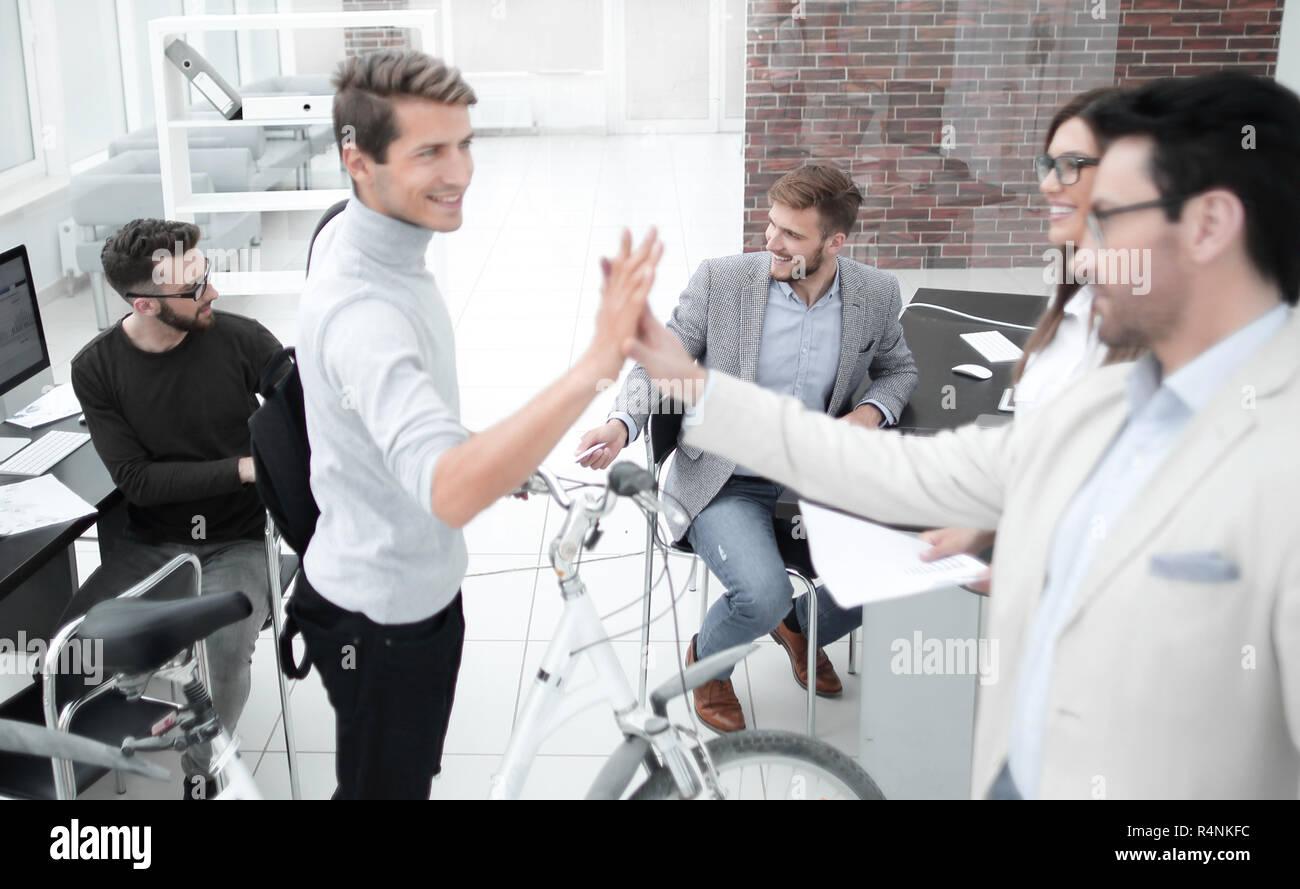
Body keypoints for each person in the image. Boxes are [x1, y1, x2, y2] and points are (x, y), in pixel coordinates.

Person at [622, 70, 1300, 799]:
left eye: (1105, 217)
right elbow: (898, 473)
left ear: (1209, 224)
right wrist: (689, 383)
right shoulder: (1103, 401)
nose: (1077, 247)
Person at [294, 49, 660, 799]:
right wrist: (598, 360)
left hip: (392, 587)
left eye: (465, 144)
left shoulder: (355, 235)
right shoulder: (367, 312)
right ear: (356, 161)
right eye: (430, 151)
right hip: (383, 622)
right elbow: (450, 491)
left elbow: (400, 430)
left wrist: (492, 455)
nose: (460, 173)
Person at [576, 163, 917, 732]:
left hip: (814, 476)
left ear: (835, 242)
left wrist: (867, 413)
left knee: (901, 563)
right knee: (760, 594)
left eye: (792, 234)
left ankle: (799, 626)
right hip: (725, 477)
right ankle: (709, 663)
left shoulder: (875, 293)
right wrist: (622, 423)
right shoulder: (723, 282)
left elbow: (897, 370)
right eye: (771, 225)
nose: (771, 242)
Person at [63, 218, 278, 799]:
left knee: (227, 641)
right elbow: (139, 482)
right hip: (153, 545)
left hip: (236, 539)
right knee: (67, 646)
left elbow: (306, 413)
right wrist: (241, 467)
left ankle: (200, 777)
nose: (212, 293)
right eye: (193, 288)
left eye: (204, 275)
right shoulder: (96, 368)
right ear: (145, 304)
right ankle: (96, 745)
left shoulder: (240, 339)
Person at [919, 87, 1144, 583]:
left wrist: (1031, 573)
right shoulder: (1074, 302)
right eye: (1048, 165)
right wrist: (979, 529)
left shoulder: (1162, 334)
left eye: (1070, 165)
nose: (1048, 185)